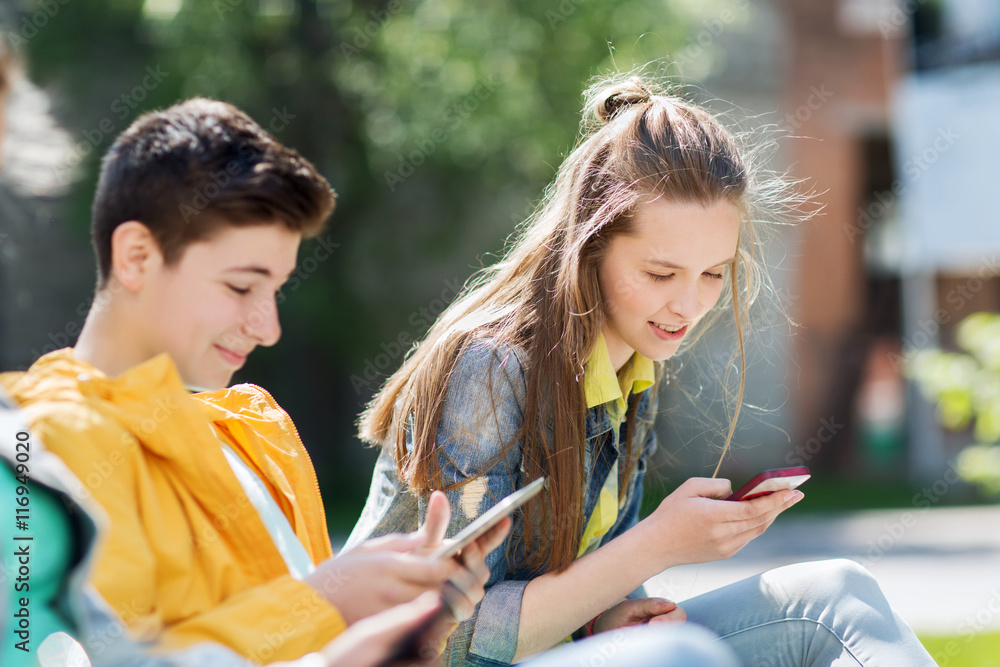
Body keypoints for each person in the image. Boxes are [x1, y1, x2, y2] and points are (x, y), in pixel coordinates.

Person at [345, 73, 938, 666]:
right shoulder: (491, 369)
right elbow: (446, 640)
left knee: (838, 594)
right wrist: (657, 545)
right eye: (661, 274)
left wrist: (611, 615)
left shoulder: (632, 363)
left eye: (713, 274)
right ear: (591, 244)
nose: (688, 305)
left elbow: (581, 576)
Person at [0, 98, 509, 664]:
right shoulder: (34, 453)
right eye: (242, 287)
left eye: (276, 291)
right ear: (137, 257)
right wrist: (324, 602)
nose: (268, 328)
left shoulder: (255, 427)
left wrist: (408, 628)